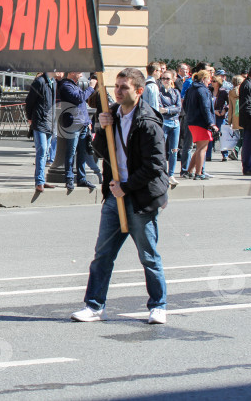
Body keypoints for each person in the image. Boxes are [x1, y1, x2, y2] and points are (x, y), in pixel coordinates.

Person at [72, 67, 168, 325]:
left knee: (148, 256)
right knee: (102, 255)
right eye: (117, 86)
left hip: (140, 198)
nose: (118, 91)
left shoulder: (148, 121)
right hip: (115, 196)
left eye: (124, 87)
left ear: (138, 91)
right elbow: (102, 151)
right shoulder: (112, 114)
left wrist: (126, 187)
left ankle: (158, 306)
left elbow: (155, 165)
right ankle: (94, 306)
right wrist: (103, 130)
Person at [57, 71, 97, 190]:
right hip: (73, 124)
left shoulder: (75, 85)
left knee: (82, 152)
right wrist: (91, 87)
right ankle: (69, 178)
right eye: (79, 72)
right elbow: (79, 98)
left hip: (82, 123)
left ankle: (81, 179)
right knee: (71, 152)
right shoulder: (65, 86)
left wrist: (88, 122)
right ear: (72, 73)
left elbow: (82, 105)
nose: (81, 74)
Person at [181, 70, 219, 180]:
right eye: (208, 79)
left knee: (198, 148)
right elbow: (205, 108)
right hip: (202, 123)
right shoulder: (203, 90)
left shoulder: (191, 89)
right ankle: (198, 173)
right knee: (202, 148)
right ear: (203, 79)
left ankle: (189, 171)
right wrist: (211, 123)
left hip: (191, 122)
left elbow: (185, 105)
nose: (210, 81)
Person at [26, 71, 56, 192]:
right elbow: (29, 101)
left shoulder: (53, 82)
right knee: (42, 149)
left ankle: (42, 180)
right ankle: (39, 181)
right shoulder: (40, 82)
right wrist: (29, 117)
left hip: (48, 122)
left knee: (46, 151)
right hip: (39, 120)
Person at [158, 70, 182, 185]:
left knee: (174, 150)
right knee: (161, 149)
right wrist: (169, 109)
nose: (165, 81)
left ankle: (171, 174)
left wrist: (168, 109)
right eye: (163, 78)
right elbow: (159, 108)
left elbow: (178, 108)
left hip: (175, 123)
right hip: (165, 122)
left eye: (167, 78)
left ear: (172, 80)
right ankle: (162, 174)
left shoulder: (176, 92)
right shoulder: (159, 92)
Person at [226, 75, 244, 160]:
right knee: (244, 136)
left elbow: (230, 108)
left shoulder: (231, 92)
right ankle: (236, 150)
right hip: (244, 116)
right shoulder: (243, 91)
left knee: (241, 135)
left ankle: (236, 151)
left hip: (235, 117)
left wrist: (229, 120)